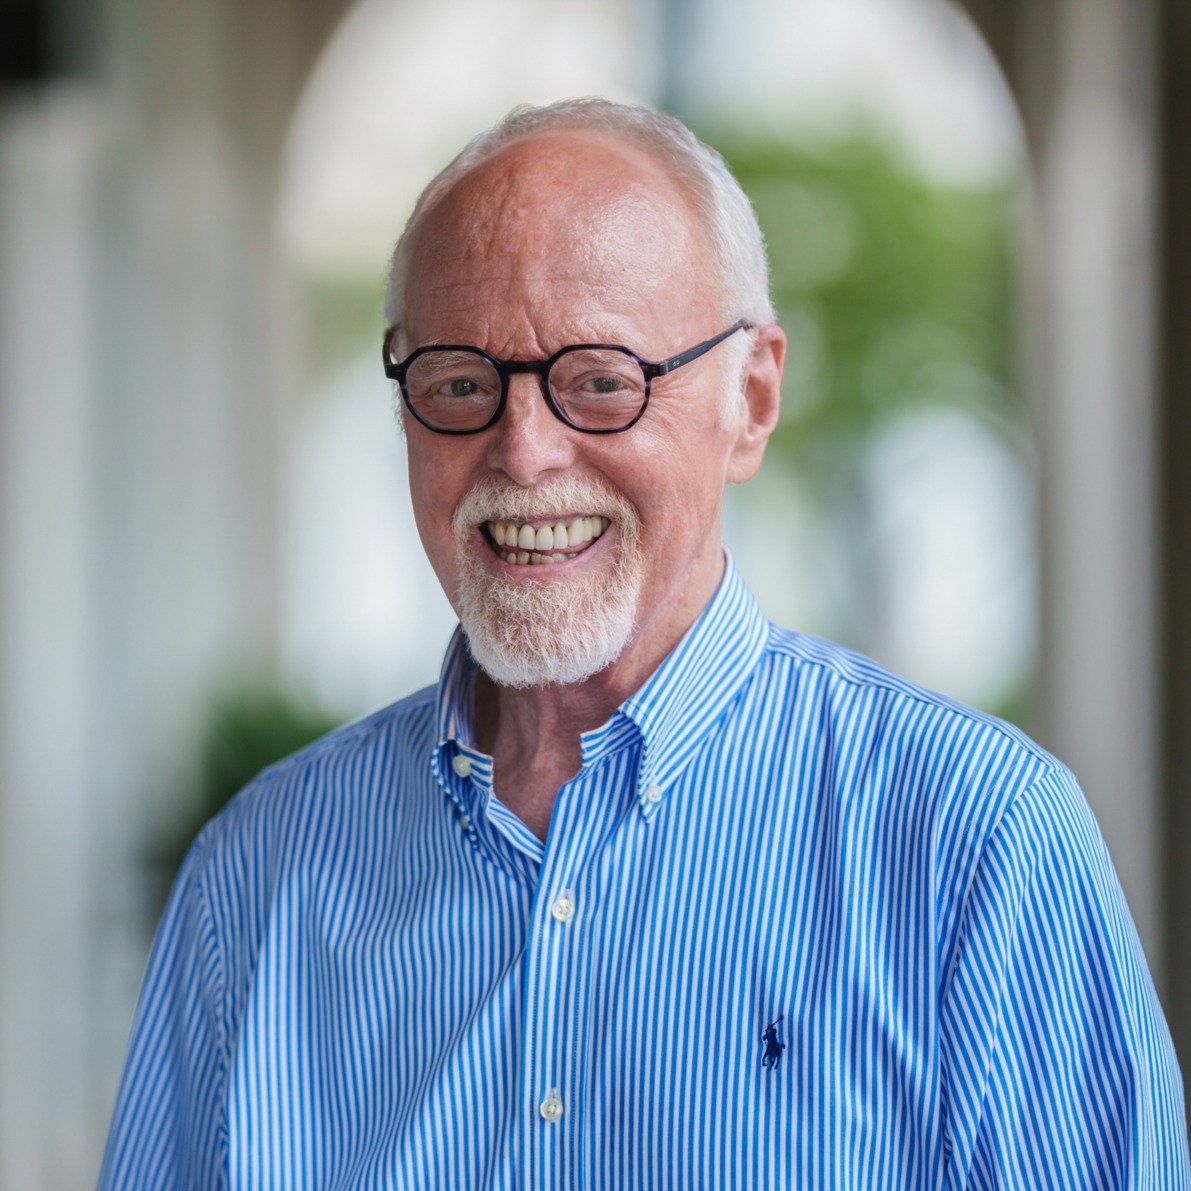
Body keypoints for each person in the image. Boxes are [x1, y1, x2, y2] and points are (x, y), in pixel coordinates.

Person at [99, 98, 1188, 1188]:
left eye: (602, 382)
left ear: (751, 397)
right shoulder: (255, 881)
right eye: (460, 384)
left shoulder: (975, 847)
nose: (522, 454)